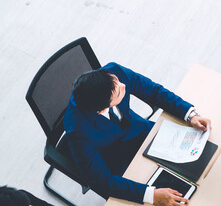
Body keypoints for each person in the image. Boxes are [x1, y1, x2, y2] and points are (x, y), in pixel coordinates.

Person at [64, 62, 211, 205]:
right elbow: (103, 181)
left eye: (117, 82)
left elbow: (153, 91)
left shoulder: (114, 72)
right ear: (103, 110)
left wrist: (190, 115)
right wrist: (151, 195)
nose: (123, 86)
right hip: (116, 158)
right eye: (119, 92)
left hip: (139, 130)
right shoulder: (77, 131)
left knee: (201, 164)